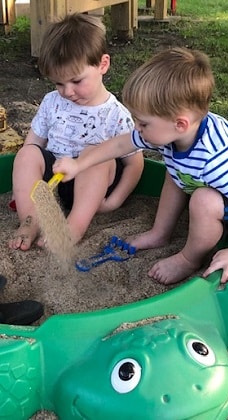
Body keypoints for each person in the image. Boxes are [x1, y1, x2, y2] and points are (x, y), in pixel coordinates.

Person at [53, 47, 228, 285]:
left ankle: (189, 258)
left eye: (143, 123)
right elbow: (119, 145)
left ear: (180, 124)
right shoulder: (171, 130)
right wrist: (78, 164)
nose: (136, 128)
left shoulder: (217, 156)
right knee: (175, 172)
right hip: (227, 191)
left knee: (203, 201)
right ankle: (160, 233)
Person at [8, 13, 144, 251]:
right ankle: (30, 221)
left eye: (76, 81)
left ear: (102, 64)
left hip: (94, 189)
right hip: (54, 183)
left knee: (95, 155)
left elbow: (135, 163)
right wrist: (25, 182)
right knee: (27, 153)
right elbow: (34, 144)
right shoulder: (52, 102)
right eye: (59, 83)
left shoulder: (115, 114)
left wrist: (115, 200)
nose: (67, 92)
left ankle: (73, 228)